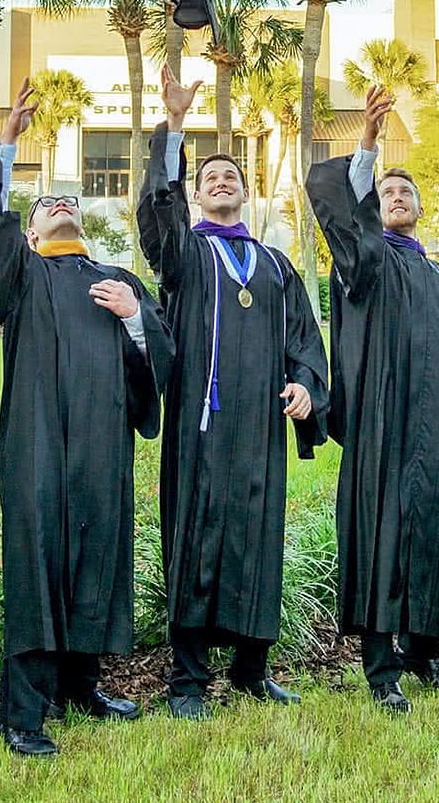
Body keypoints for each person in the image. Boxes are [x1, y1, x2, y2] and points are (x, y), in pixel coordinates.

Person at [0, 79, 175, 757]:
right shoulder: (22, 274)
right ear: (30, 230)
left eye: (69, 200)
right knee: (37, 564)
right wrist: (5, 145)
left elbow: (159, 362)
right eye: (46, 204)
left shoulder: (118, 277)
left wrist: (138, 318)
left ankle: (83, 687)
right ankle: (23, 713)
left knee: (96, 559)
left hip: (101, 449)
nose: (60, 203)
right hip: (37, 447)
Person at [138, 67, 330, 720]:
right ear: (195, 195)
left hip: (258, 433)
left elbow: (305, 338)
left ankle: (253, 671)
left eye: (232, 177)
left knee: (256, 542)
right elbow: (156, 222)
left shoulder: (276, 264)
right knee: (194, 542)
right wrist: (173, 127)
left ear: (246, 193)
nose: (222, 182)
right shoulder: (185, 253)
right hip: (200, 426)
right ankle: (187, 680)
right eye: (210, 177)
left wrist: (305, 384)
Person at [306, 85, 439, 715]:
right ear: (373, 208)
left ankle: (427, 655)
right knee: (382, 536)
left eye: (406, 192)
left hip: (436, 429)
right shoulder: (365, 261)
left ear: (420, 208)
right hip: (383, 424)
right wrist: (367, 150)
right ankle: (382, 669)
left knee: (435, 533)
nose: (398, 197)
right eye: (387, 192)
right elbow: (347, 222)